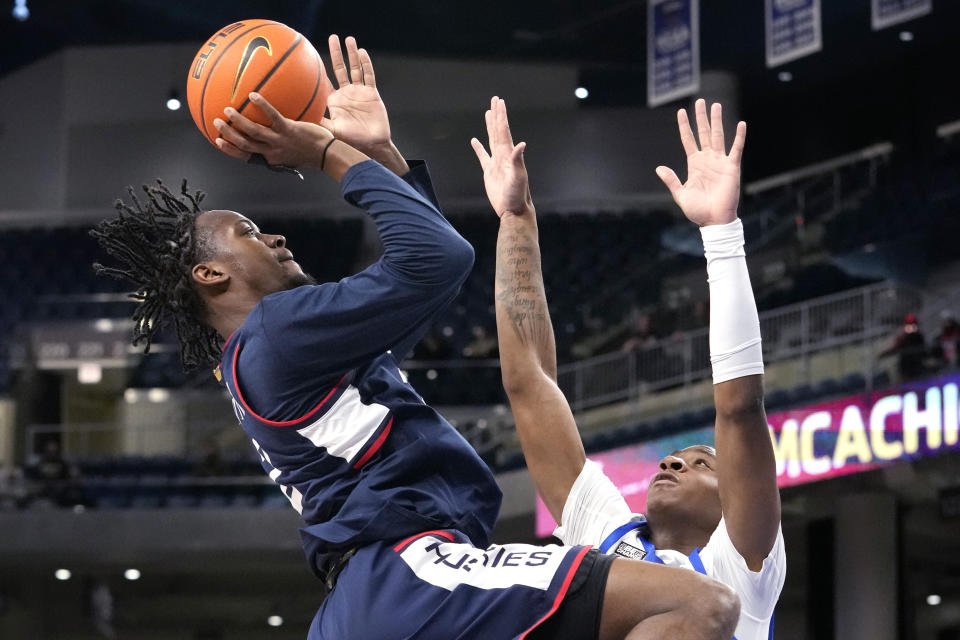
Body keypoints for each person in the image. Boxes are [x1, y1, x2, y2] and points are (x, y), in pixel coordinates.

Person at [93, 37, 737, 640]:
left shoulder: (281, 349)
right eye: (251, 233)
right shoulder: (277, 335)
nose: (276, 238)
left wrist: (382, 156)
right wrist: (324, 152)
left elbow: (425, 278)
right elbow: (437, 257)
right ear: (210, 275)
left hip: (380, 597)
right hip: (405, 576)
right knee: (697, 603)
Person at [473, 97, 785, 640]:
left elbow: (739, 409)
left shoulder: (744, 570)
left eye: (701, 463)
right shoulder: (608, 534)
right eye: (680, 456)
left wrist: (721, 235)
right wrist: (515, 219)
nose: (673, 461)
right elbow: (529, 385)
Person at [879, 313, 927, 380]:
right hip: (906, 368)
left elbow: (923, 350)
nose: (911, 328)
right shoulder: (903, 338)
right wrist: (884, 355)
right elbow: (896, 348)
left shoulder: (919, 337)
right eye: (909, 326)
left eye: (913, 325)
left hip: (917, 367)